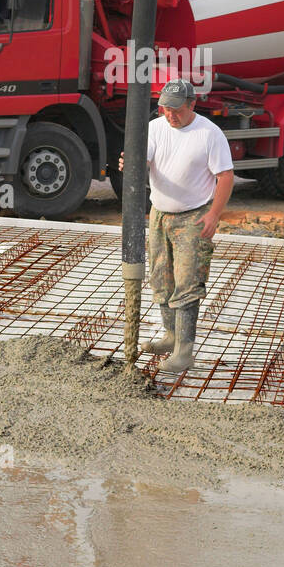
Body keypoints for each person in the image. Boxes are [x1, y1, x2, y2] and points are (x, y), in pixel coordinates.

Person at [120, 79, 234, 375]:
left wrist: (214, 215)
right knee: (161, 277)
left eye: (176, 110)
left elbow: (225, 176)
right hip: (160, 214)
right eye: (165, 108)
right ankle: (170, 336)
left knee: (188, 281)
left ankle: (184, 350)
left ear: (192, 105)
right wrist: (130, 163)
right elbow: (142, 160)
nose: (170, 115)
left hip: (193, 217)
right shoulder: (156, 127)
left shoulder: (209, 133)